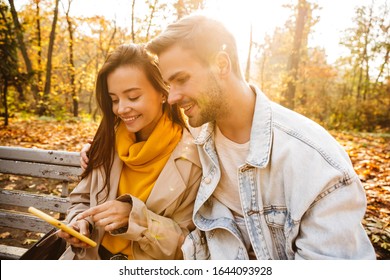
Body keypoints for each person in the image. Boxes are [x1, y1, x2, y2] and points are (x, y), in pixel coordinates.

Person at [81, 15, 376, 260]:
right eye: (169, 84)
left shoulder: (314, 161)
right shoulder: (196, 141)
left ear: (222, 65)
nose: (172, 97)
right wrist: (97, 152)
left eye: (181, 80)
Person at [58, 43, 202, 260]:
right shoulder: (106, 142)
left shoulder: (191, 158)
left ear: (163, 93)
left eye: (133, 97)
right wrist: (80, 222)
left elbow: (187, 246)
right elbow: (81, 200)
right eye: (114, 99)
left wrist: (136, 220)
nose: (121, 109)